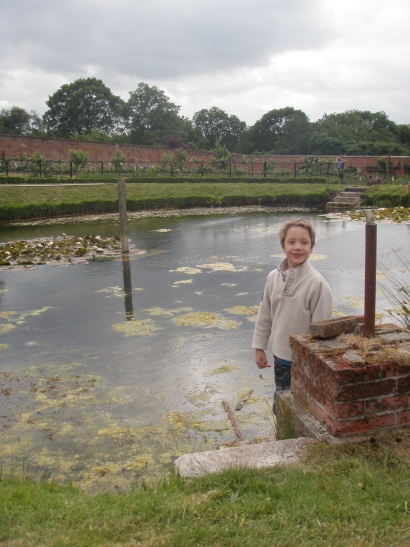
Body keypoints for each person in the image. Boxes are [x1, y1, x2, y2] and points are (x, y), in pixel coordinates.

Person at [252, 218, 333, 413]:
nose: (298, 247)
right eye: (292, 242)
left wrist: (315, 363)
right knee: (281, 403)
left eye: (304, 242)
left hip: (305, 361)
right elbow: (265, 315)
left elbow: (321, 331)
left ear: (311, 247)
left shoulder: (317, 284)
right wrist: (259, 347)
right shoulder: (273, 277)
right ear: (282, 246)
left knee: (304, 407)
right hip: (280, 356)